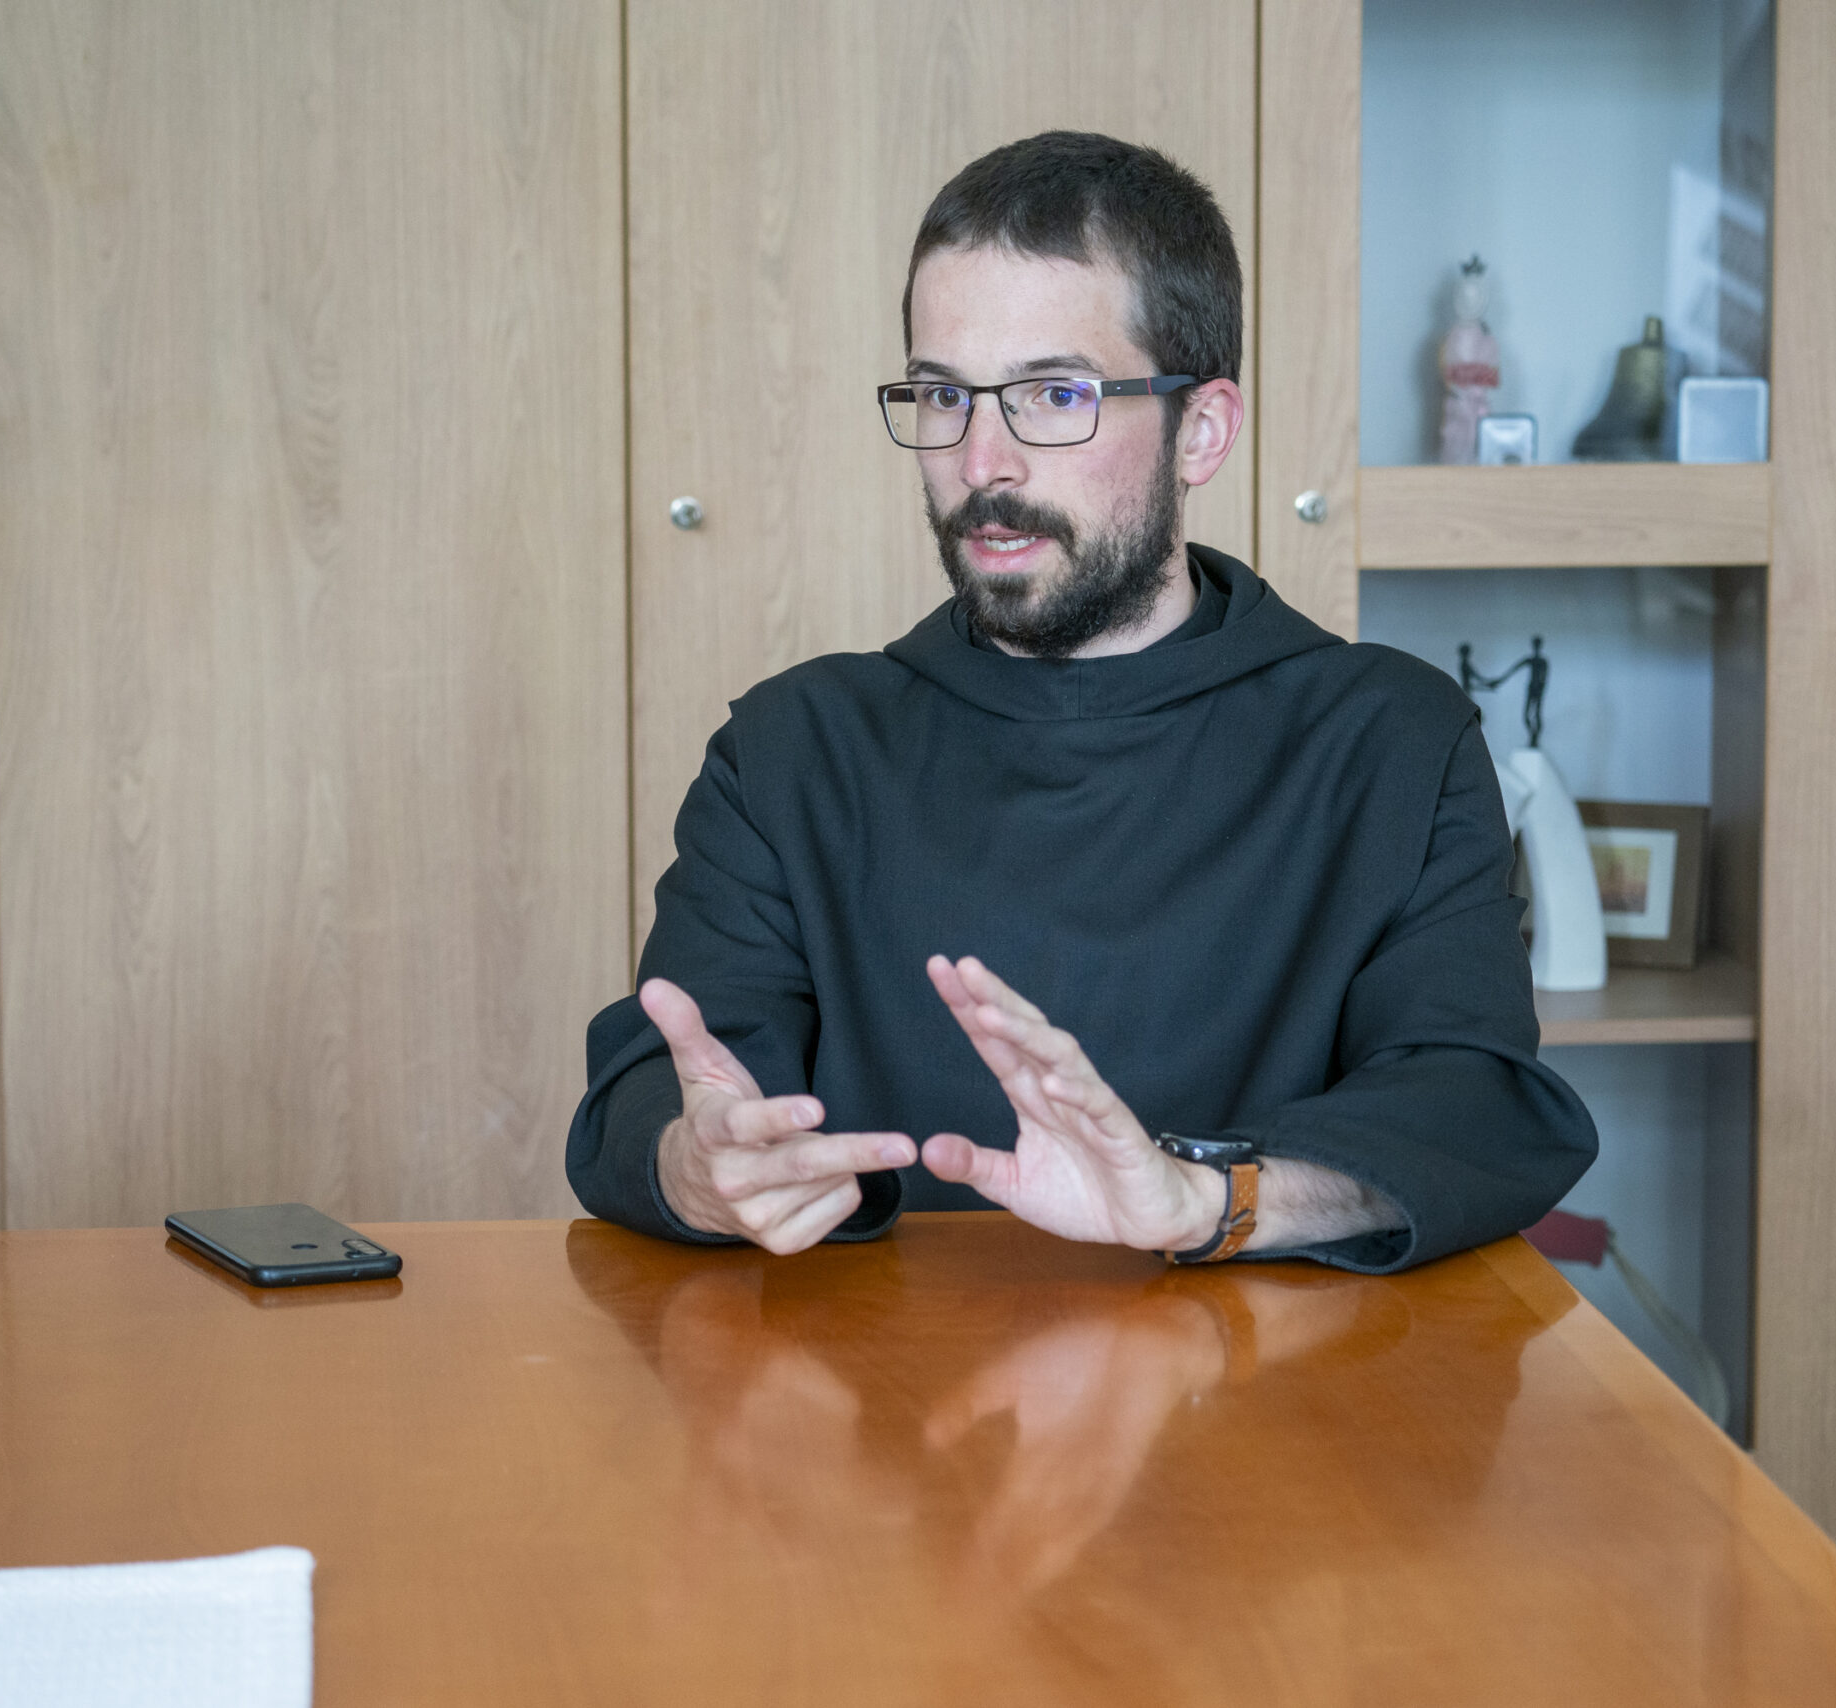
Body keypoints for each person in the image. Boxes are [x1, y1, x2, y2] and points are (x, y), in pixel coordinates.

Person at [567, 131, 1594, 1271]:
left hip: (1272, 1375)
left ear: (1202, 430)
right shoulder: (792, 750)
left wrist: (1205, 1201)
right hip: (875, 1375)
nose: (983, 463)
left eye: (1054, 394)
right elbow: (667, 1086)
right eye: (942, 395)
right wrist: (693, 1165)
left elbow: (1470, 1105)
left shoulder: (1392, 740)